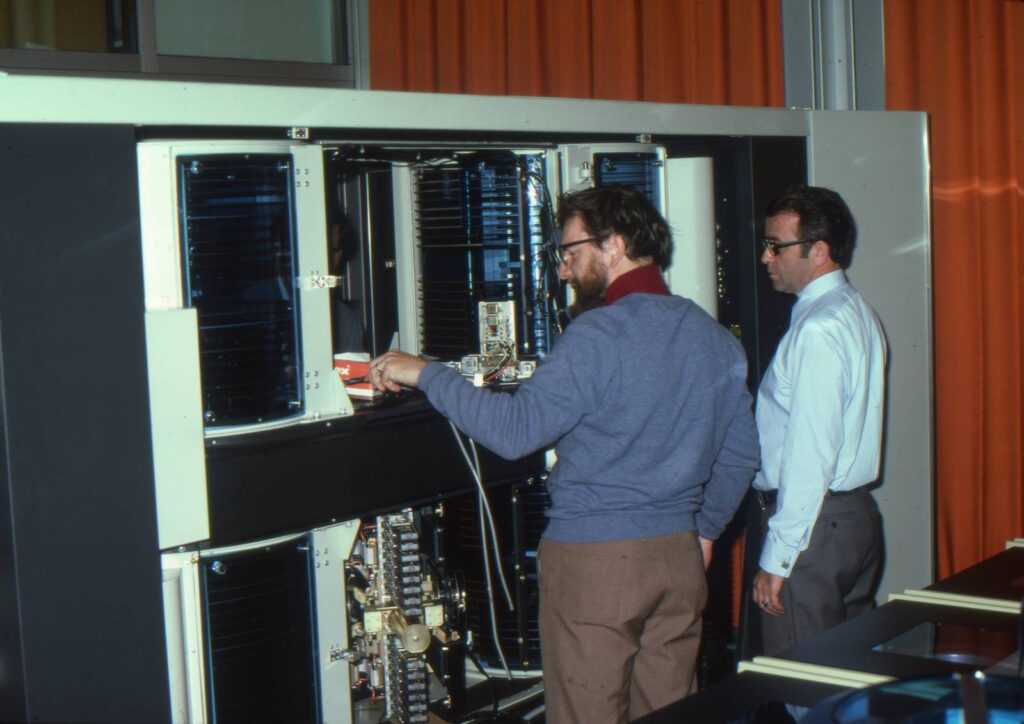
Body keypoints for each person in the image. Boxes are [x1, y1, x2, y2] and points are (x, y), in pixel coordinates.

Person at [368, 185, 758, 723]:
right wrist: (707, 532)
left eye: (571, 253)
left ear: (614, 246)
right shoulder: (713, 337)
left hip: (597, 563)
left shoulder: (596, 335)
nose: (564, 271)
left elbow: (515, 431)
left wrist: (428, 372)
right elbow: (741, 455)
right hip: (681, 560)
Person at [751, 184, 886, 658]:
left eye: (776, 246)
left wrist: (779, 557)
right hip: (850, 521)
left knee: (804, 686)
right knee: (845, 679)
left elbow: (811, 453)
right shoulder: (856, 312)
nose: (767, 258)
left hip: (813, 528)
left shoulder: (818, 328)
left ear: (820, 250)